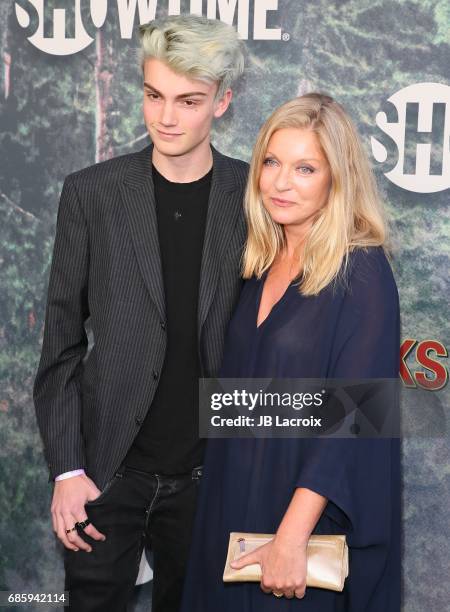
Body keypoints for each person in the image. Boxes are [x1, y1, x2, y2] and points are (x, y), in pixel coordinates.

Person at [33, 15, 248, 612]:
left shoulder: (254, 198)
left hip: (209, 476)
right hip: (107, 473)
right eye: (154, 95)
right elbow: (61, 345)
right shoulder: (92, 193)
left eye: (189, 100)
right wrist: (68, 471)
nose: (166, 117)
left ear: (222, 102)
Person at [181, 93, 400, 611]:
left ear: (336, 180)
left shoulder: (361, 270)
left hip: (305, 518)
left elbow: (356, 418)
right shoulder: (259, 260)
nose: (281, 182)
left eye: (305, 168)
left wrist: (290, 537)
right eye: (272, 163)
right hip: (232, 502)